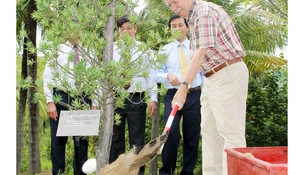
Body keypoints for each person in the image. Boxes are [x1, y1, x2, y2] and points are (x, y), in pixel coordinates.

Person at [162, 0, 249, 175]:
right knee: (210, 133)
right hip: (211, 78)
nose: (174, 8)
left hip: (227, 73)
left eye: (176, 2)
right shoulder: (192, 20)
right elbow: (197, 59)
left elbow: (200, 53)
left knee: (230, 133)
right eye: (170, 5)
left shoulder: (204, 13)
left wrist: (183, 89)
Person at [154, 14, 203, 175]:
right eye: (173, 26)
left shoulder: (196, 49)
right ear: (169, 29)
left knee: (192, 136)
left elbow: (204, 74)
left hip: (194, 95)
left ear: (187, 27)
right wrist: (167, 76)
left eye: (180, 25)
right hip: (172, 96)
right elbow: (155, 74)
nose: (177, 28)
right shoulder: (165, 50)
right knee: (171, 134)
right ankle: (166, 171)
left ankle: (188, 171)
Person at [43, 31, 98, 175]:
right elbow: (47, 77)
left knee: (81, 144)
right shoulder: (57, 49)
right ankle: (59, 173)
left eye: (78, 29)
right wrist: (50, 102)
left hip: (83, 98)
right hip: (61, 98)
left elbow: (97, 79)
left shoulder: (90, 50)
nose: (76, 33)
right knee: (58, 142)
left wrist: (95, 104)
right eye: (72, 29)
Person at [109, 15, 158, 175]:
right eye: (121, 29)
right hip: (116, 99)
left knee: (137, 141)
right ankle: (117, 172)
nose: (125, 32)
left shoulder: (144, 50)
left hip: (137, 99)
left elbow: (151, 75)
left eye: (129, 28)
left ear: (135, 29)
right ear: (117, 32)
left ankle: (137, 172)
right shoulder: (111, 50)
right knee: (115, 139)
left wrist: (153, 98)